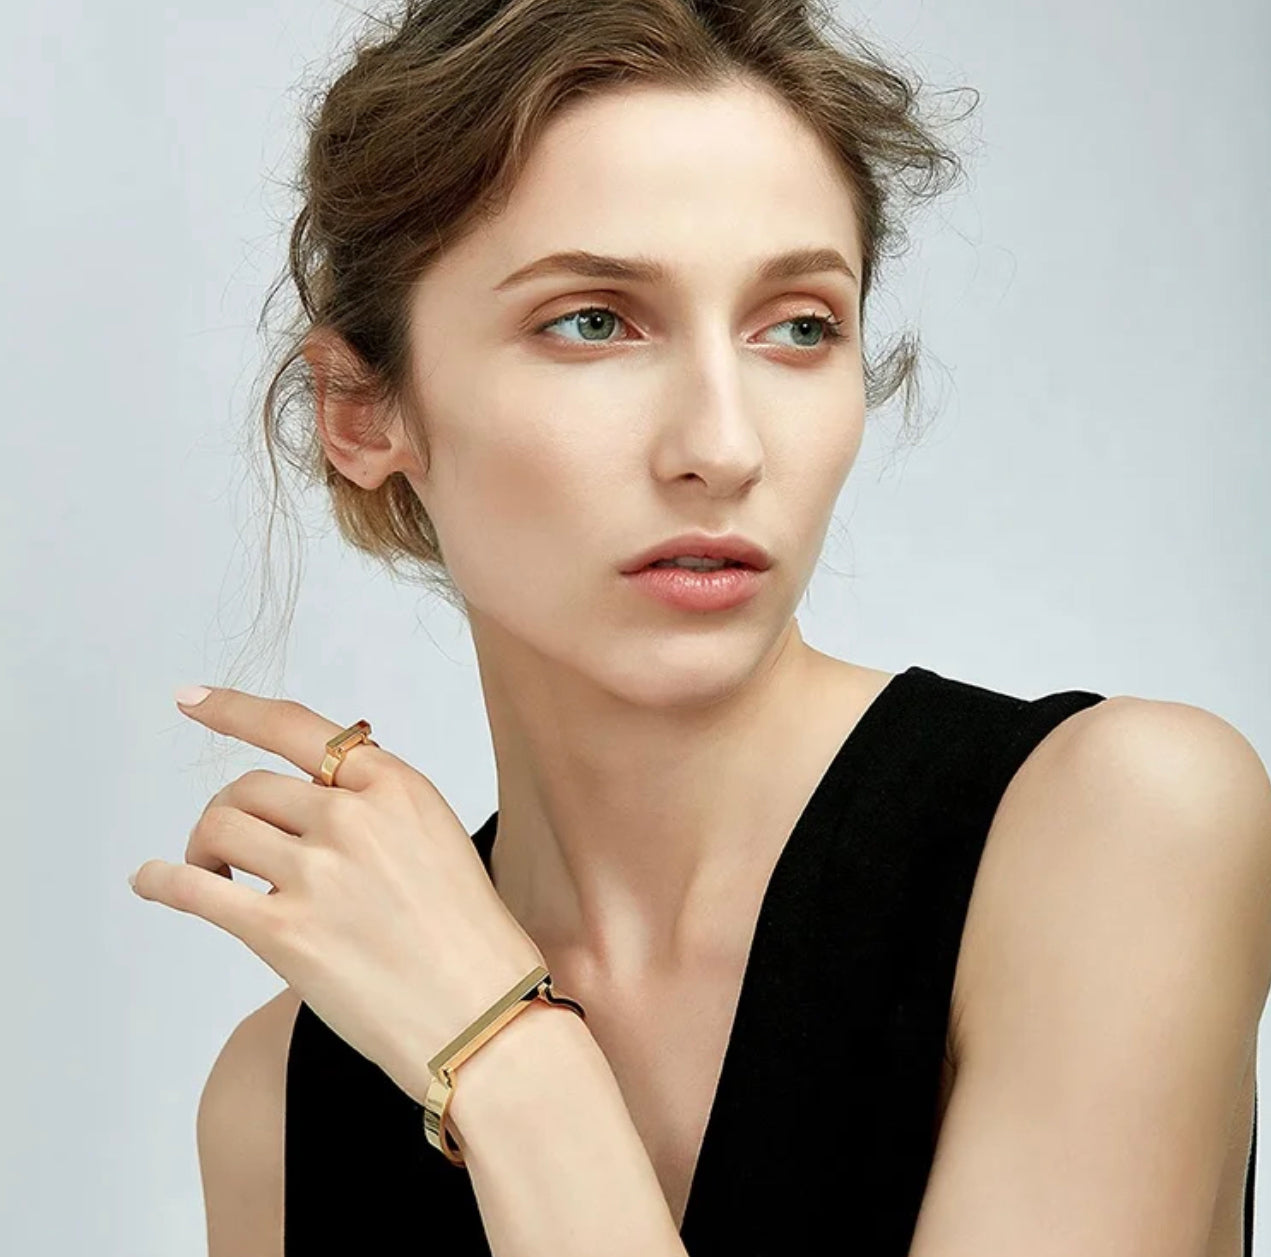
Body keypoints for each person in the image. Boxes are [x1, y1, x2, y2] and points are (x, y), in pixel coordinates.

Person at [191, 2, 1270, 1254]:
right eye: (593, 321)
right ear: (362, 409)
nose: (722, 445)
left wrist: (509, 1059)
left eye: (796, 327)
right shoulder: (283, 1101)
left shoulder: (1117, 829)